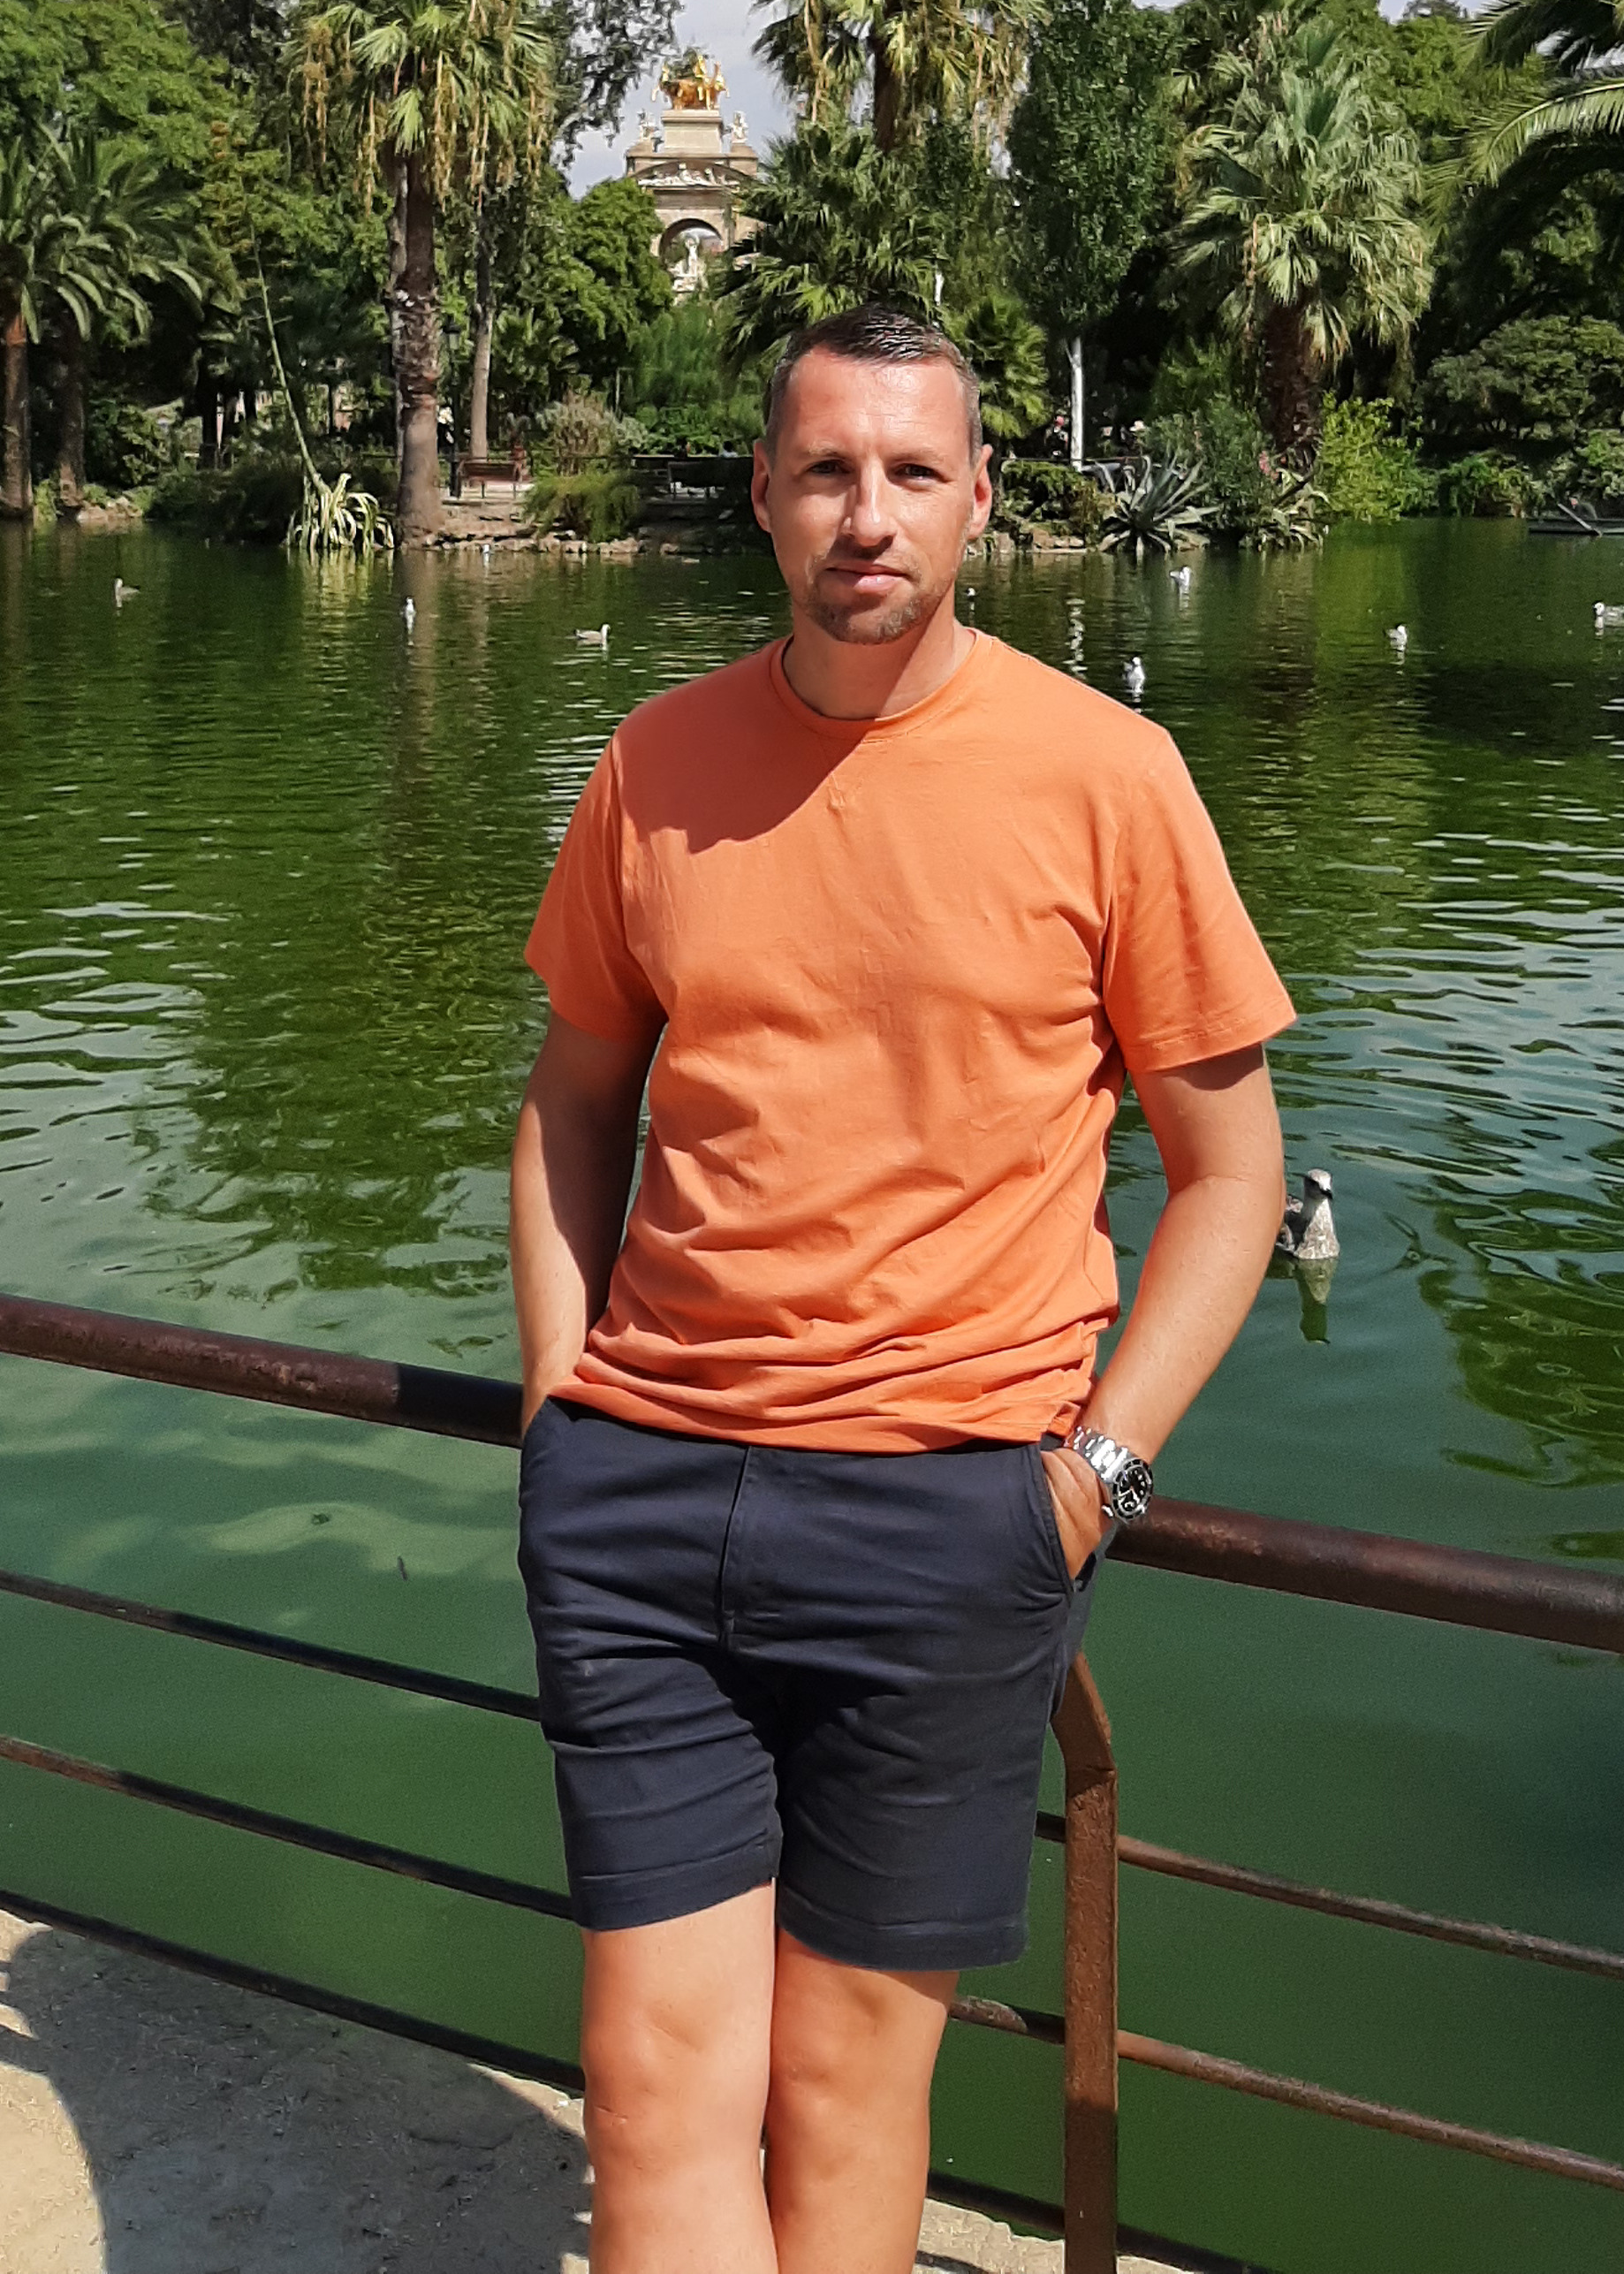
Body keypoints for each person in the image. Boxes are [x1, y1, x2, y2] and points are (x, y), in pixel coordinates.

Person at [510, 303, 1292, 2274]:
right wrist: (554, 1409)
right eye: (829, 470)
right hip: (643, 1500)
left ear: (979, 501)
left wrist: (1094, 1479)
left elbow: (1232, 1178)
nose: (871, 514)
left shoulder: (1106, 774)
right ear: (764, 495)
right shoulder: (655, 761)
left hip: (949, 1513)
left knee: (849, 2096)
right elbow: (571, 1103)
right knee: (648, 2088)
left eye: (914, 471)